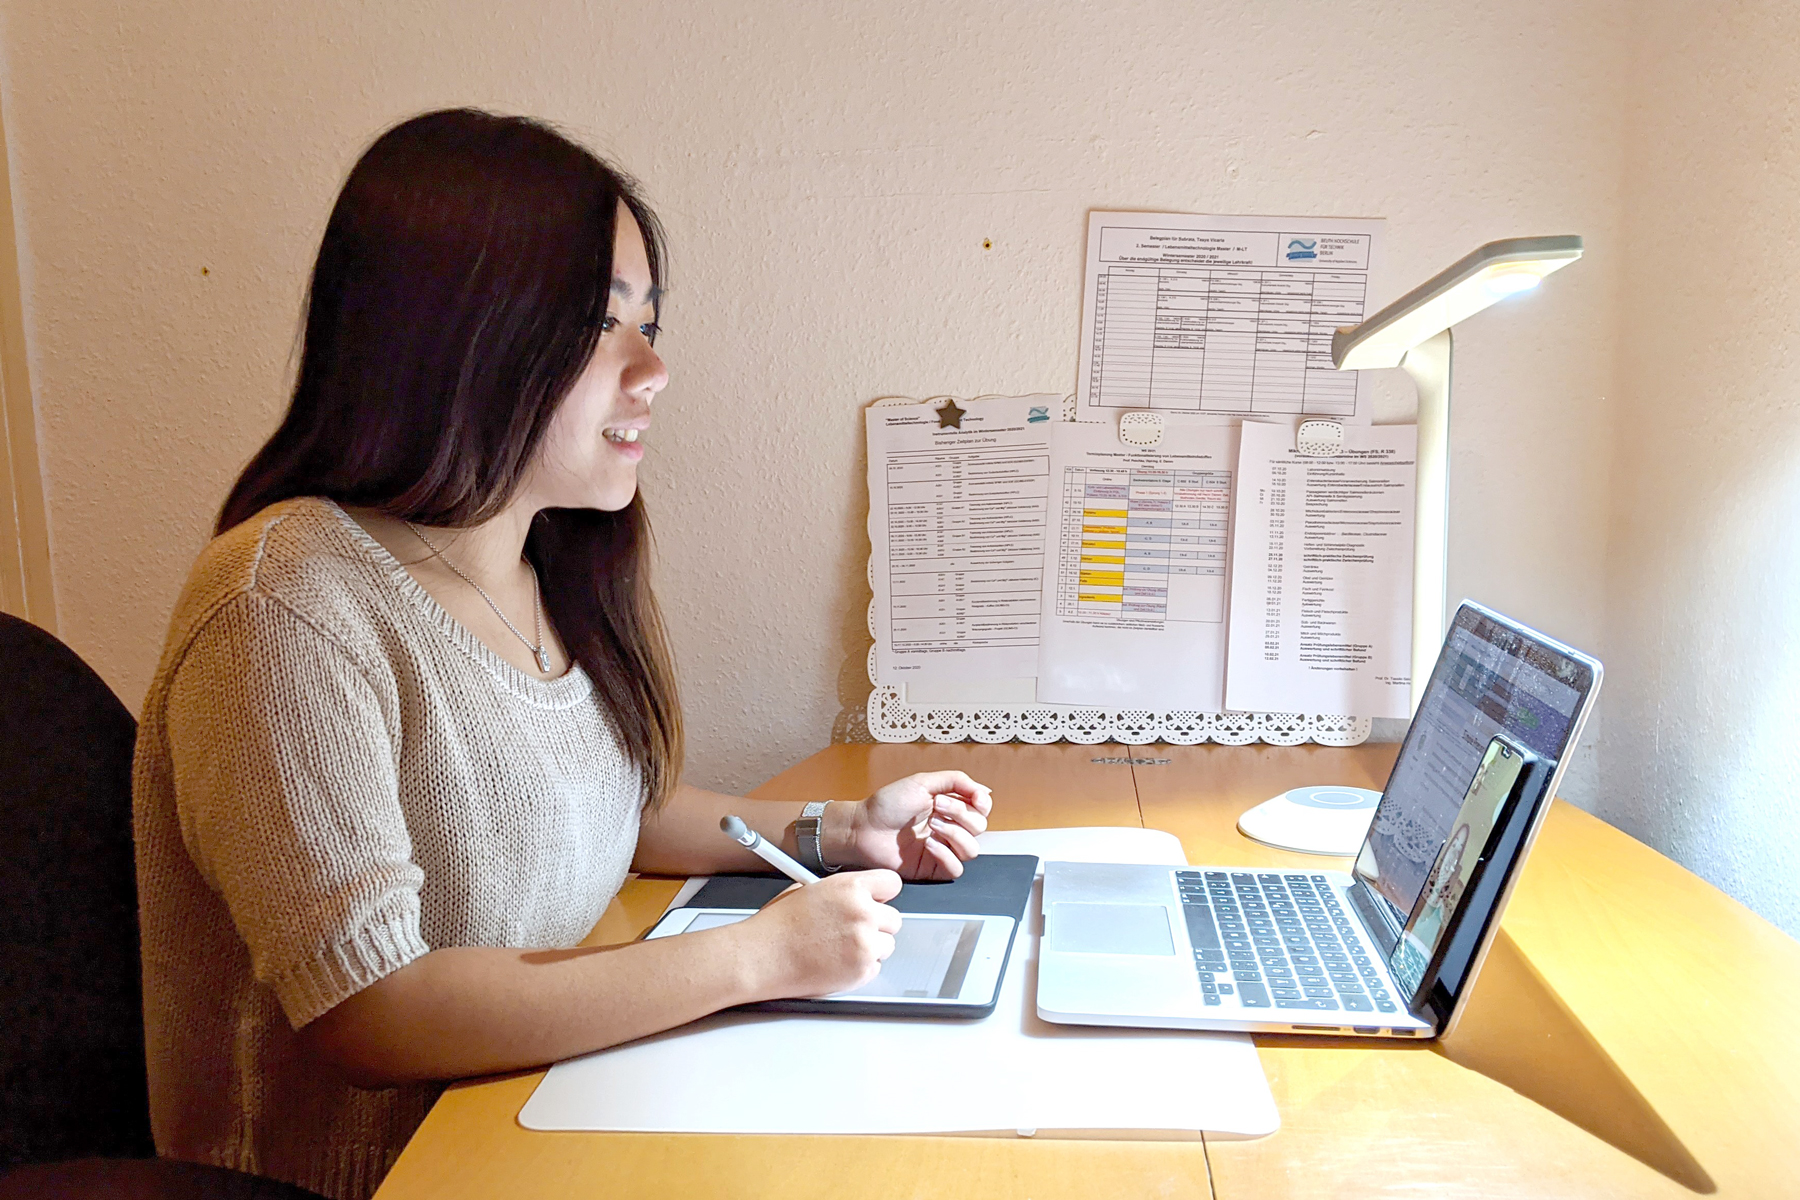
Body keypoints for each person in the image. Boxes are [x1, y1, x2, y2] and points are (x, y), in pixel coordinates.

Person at [131, 108, 993, 1200]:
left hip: (546, 1119)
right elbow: (372, 1010)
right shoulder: (283, 607)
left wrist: (836, 834)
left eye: (649, 321)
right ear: (451, 333)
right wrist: (756, 960)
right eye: (601, 325)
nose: (655, 369)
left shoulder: (545, 566)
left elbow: (606, 812)